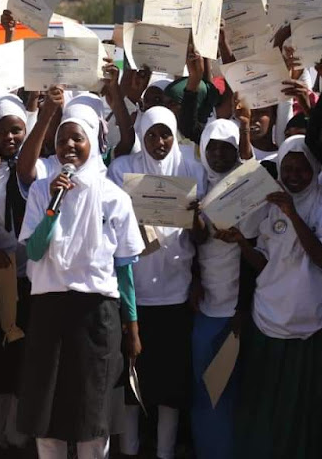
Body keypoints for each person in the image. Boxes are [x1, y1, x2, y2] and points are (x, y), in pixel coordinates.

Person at [17, 115, 144, 459]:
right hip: (49, 313)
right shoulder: (44, 189)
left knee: (92, 416)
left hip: (95, 317)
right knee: (47, 414)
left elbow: (124, 270)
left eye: (77, 139)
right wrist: (52, 207)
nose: (68, 147)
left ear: (94, 143)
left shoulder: (113, 197)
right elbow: (34, 250)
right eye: (61, 141)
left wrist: (131, 326)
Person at [218, 136, 322, 459]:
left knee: (299, 412)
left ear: (314, 168)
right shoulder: (269, 203)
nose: (294, 175)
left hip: (307, 325)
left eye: (302, 169)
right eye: (288, 168)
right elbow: (265, 262)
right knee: (264, 406)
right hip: (267, 320)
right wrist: (242, 243)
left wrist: (293, 214)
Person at [108, 106, 207, 459]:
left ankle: (165, 451)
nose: (159, 142)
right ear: (141, 135)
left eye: (165, 134)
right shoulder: (122, 170)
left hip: (176, 293)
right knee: (132, 383)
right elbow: (109, 226)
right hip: (135, 294)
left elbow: (203, 237)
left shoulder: (192, 170)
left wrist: (195, 217)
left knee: (170, 383)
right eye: (151, 134)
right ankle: (130, 449)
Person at [190, 118, 255, 459]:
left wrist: (243, 309)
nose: (217, 154)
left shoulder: (249, 188)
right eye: (211, 146)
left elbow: (254, 256)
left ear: (236, 151)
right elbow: (193, 244)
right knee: (205, 389)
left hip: (237, 311)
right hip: (206, 308)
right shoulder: (195, 186)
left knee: (232, 390)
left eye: (226, 147)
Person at [0, 94, 31, 456]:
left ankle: (19, 430)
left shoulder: (38, 169)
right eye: (3, 132)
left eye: (17, 130)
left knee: (26, 354)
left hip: (33, 277)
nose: (10, 138)